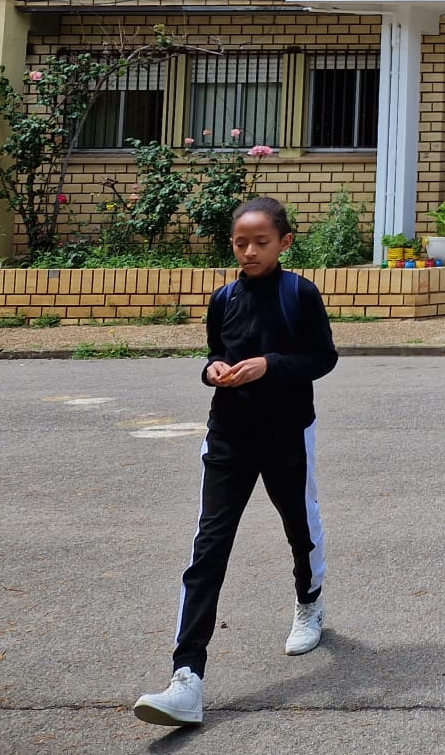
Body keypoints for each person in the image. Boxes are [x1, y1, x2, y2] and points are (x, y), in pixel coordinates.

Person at [133, 196, 339, 728]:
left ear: (285, 243)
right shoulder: (223, 297)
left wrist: (269, 365)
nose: (249, 251)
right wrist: (214, 372)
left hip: (287, 433)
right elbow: (211, 355)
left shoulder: (299, 293)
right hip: (228, 437)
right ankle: (186, 679)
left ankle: (310, 603)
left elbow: (323, 357)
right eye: (240, 242)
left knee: (300, 526)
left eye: (261, 242)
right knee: (208, 548)